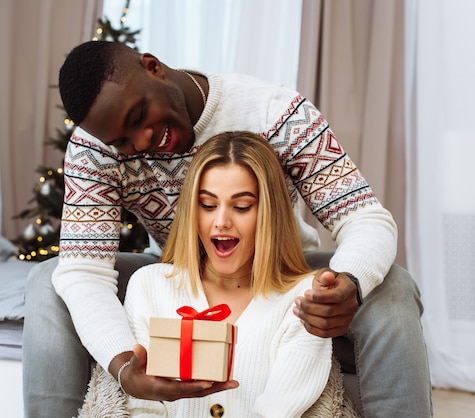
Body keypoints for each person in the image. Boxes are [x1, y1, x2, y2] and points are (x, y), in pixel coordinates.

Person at [22, 40, 432, 418]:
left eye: (139, 116)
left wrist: (349, 282)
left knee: (392, 287)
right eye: (123, 142)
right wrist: (125, 364)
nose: (142, 140)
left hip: (281, 269)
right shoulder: (93, 148)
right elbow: (83, 273)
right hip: (176, 267)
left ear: (153, 68)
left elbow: (365, 218)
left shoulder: (277, 113)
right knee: (47, 281)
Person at [118, 131, 356, 417]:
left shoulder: (305, 301)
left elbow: (277, 411)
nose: (221, 222)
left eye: (241, 207)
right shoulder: (150, 285)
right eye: (207, 205)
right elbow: (142, 407)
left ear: (269, 214)